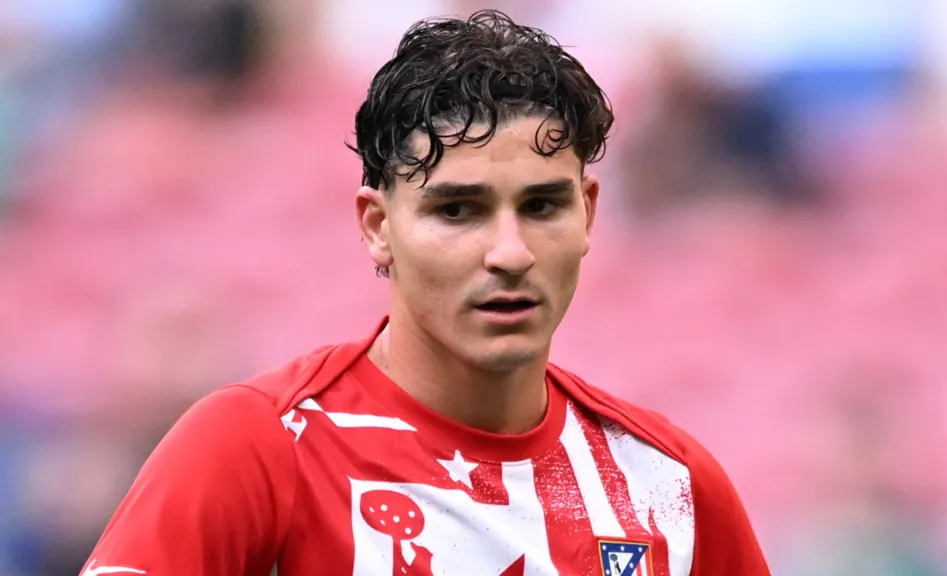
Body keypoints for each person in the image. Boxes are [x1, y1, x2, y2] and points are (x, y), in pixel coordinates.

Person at [81, 10, 769, 575]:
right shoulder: (258, 447)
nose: (509, 253)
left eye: (541, 206)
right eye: (457, 210)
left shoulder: (671, 486)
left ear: (587, 213)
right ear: (379, 228)